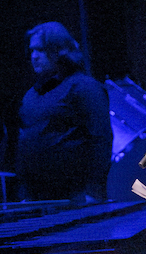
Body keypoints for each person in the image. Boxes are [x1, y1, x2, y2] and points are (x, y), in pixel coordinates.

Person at [14, 21, 112, 202]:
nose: (34, 56)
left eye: (41, 50)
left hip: (76, 198)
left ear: (59, 50)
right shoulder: (31, 95)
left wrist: (93, 192)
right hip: (38, 199)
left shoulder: (84, 87)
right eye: (32, 51)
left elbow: (101, 140)